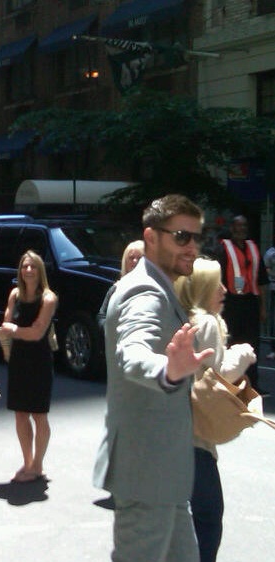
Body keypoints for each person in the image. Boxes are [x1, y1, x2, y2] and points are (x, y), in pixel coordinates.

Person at [93, 194, 214, 562]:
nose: (192, 247)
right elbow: (132, 353)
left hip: (164, 475)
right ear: (151, 237)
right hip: (147, 475)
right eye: (181, 236)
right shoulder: (144, 290)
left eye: (196, 237)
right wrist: (168, 370)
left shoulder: (158, 285)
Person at [175, 257, 256, 562]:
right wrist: (243, 354)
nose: (224, 289)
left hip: (174, 433)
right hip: (195, 439)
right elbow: (216, 375)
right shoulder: (207, 322)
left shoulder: (184, 319)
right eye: (217, 284)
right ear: (202, 288)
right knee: (209, 517)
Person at [0, 250, 57, 483]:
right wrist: (11, 330)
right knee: (21, 414)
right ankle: (28, 462)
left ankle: (38, 464)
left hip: (39, 360)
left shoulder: (48, 298)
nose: (28, 270)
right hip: (19, 359)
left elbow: (36, 332)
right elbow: (6, 322)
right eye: (25, 266)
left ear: (40, 270)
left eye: (33, 266)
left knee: (39, 415)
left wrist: (14, 330)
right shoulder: (15, 295)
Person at [214, 215, 268, 391]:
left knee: (252, 344)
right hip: (230, 303)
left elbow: (261, 281)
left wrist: (262, 307)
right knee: (231, 342)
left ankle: (252, 385)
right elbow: (217, 279)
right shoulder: (223, 249)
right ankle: (231, 383)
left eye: (244, 225)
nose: (241, 229)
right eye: (238, 225)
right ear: (232, 228)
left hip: (250, 302)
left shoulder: (253, 248)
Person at [97, 239, 144, 329]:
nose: (135, 261)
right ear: (125, 261)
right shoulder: (116, 288)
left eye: (140, 258)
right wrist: (113, 329)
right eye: (131, 258)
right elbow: (101, 316)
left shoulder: (155, 287)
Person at [263, 242, 275, 359]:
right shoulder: (271, 253)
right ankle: (274, 348)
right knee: (274, 319)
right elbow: (265, 268)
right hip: (274, 287)